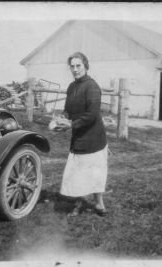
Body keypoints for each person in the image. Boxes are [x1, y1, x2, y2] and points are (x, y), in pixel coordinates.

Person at [59, 51, 108, 217]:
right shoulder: (72, 87)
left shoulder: (92, 86)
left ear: (85, 66)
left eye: (78, 65)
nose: (75, 69)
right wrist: (62, 119)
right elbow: (67, 109)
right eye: (72, 66)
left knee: (95, 172)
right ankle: (79, 203)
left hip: (93, 136)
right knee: (77, 172)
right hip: (78, 135)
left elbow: (92, 114)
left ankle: (99, 203)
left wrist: (72, 125)